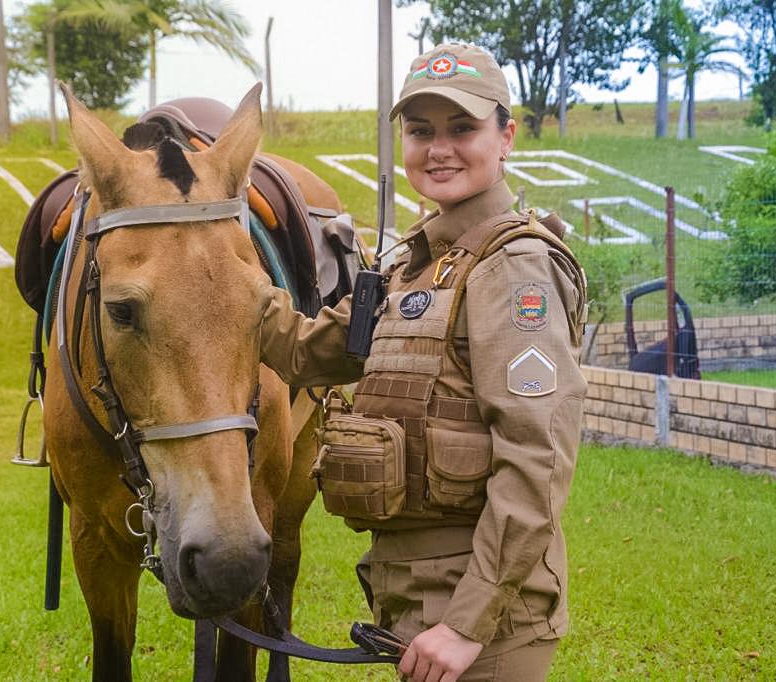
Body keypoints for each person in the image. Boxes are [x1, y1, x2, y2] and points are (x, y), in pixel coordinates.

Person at [260, 42, 587, 682]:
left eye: (462, 128)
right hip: (414, 596)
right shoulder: (411, 263)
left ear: (506, 136)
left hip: (484, 615)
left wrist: (467, 624)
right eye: (420, 131)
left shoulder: (514, 267)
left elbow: (538, 456)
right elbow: (306, 351)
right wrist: (220, 274)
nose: (439, 149)